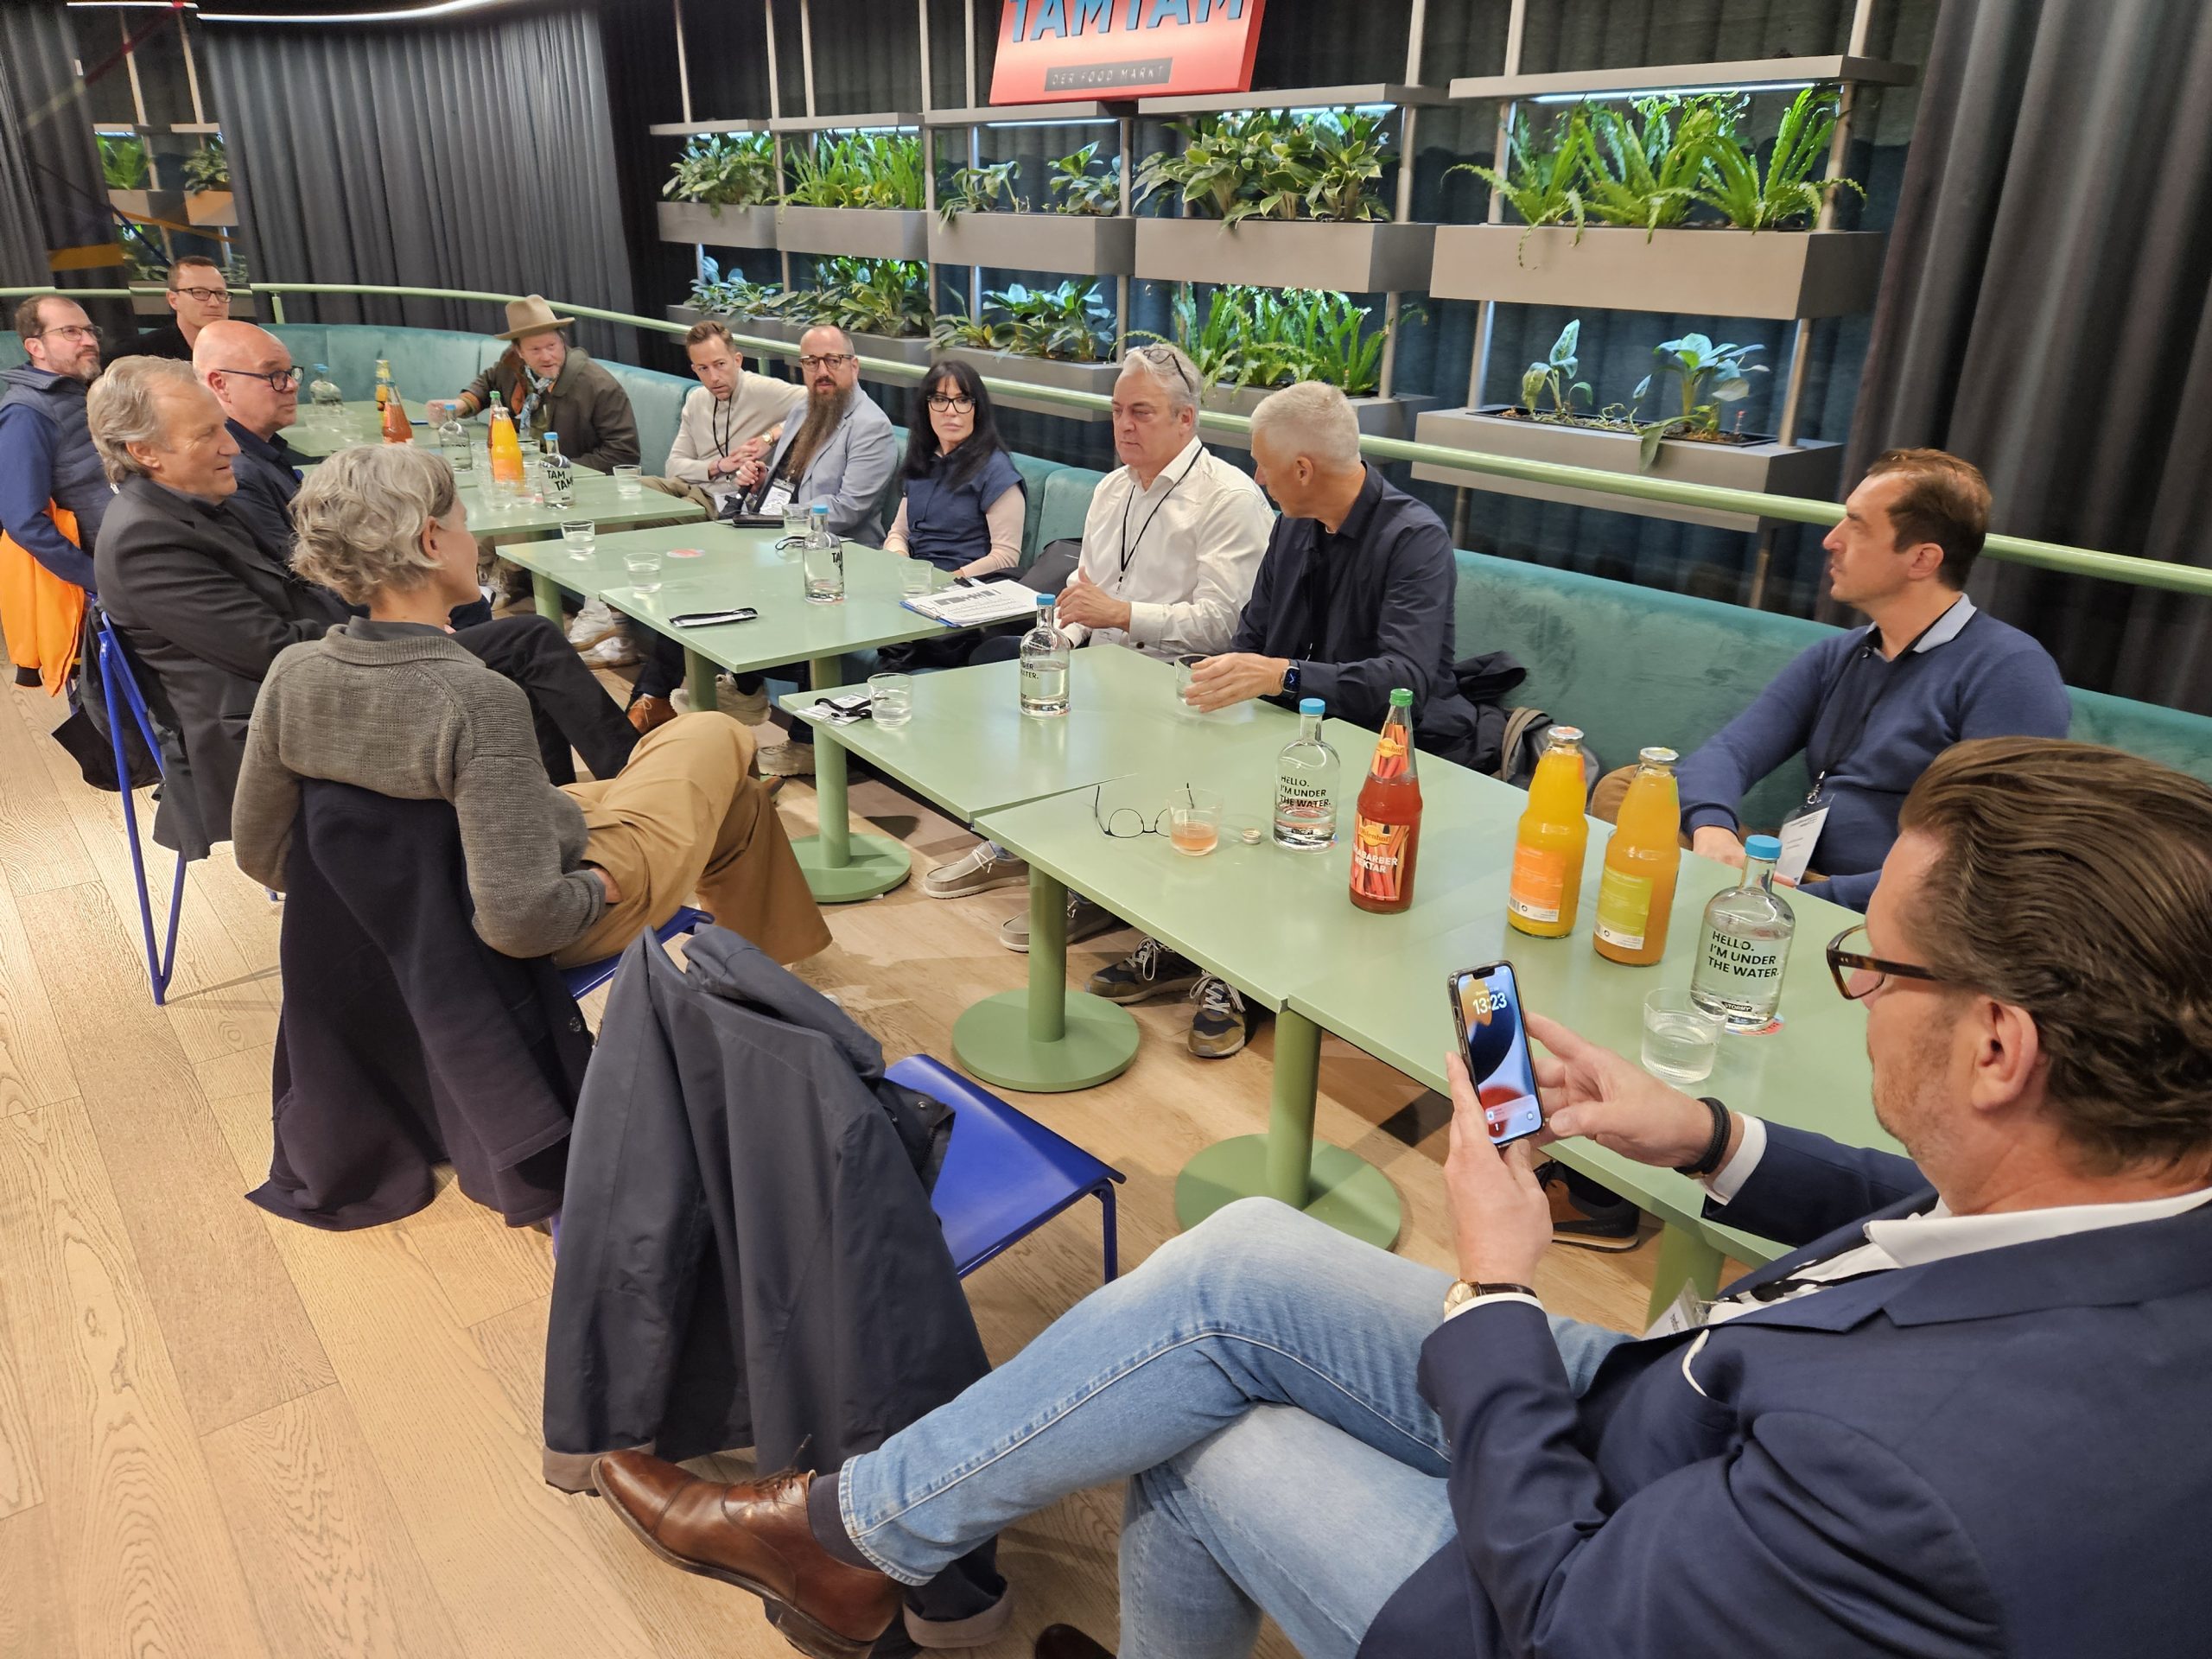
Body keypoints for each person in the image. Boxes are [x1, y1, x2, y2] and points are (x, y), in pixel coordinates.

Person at [590, 734, 2212, 1659]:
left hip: (1624, 1550)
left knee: (1202, 1442)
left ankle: (846, 1536)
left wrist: (1496, 1290)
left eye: (1876, 964)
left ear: (1998, 1046)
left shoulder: (1933, 1485)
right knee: (1234, 1261)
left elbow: (1568, 1615)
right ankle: (858, 1531)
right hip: (1696, 1421)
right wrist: (1712, 1136)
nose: (1855, 991)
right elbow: (1943, 1215)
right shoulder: (2141, 1192)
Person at [231, 444, 830, 971]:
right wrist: (595, 886)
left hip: (440, 900)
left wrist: (409, 890)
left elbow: (264, 856)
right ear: (432, 541)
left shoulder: (293, 673)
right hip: (535, 919)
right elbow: (523, 922)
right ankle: (762, 991)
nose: (474, 544)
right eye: (465, 526)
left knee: (738, 801)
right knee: (716, 732)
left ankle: (759, 980)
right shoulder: (475, 700)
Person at [1085, 381, 1484, 1058]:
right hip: (1287, 730)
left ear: (1302, 469)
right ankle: (1184, 937)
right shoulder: (1292, 527)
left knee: (1274, 801)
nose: (1256, 476)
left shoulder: (1413, 539)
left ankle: (1239, 975)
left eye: (1263, 464)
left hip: (1382, 756)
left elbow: (1407, 681)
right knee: (1183, 770)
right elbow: (1254, 633)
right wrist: (1225, 678)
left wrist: (1282, 676)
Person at [196, 321, 639, 785]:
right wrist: (405, 620)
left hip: (358, 633)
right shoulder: (243, 475)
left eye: (291, 373)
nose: (290, 386)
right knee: (530, 639)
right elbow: (303, 580)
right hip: (359, 650)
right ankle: (632, 781)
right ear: (220, 384)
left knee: (511, 644)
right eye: (274, 375)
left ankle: (551, 791)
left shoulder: (259, 461)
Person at [920, 341, 1269, 911]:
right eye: (1117, 410)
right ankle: (1017, 838)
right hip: (1100, 667)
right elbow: (1084, 594)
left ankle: (1086, 886)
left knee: (1072, 710)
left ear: (1186, 419)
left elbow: (1225, 625)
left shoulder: (1228, 498)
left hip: (1179, 684)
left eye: (1141, 412)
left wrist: (1122, 614)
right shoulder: (1113, 489)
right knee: (1006, 670)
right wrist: (1059, 640)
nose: (1124, 425)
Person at [1665, 448, 2069, 912]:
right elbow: (1729, 753)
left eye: (1857, 526)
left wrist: (1797, 902)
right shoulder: (1841, 654)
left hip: (1891, 906)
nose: (1830, 541)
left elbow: (1986, 854)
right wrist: (1713, 832)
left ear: (1922, 559)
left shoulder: (2010, 670)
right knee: (1638, 788)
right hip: (1790, 875)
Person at [596, 321, 807, 734]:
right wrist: (717, 465)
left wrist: (769, 437)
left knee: (686, 582)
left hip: (724, 508)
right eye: (703, 368)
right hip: (692, 488)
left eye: (720, 365)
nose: (714, 377)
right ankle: (612, 614)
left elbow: (817, 399)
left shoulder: (765, 390)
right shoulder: (696, 400)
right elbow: (674, 465)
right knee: (618, 496)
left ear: (738, 360)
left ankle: (649, 693)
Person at [744, 324, 899, 779]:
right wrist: (758, 486)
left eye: (833, 360)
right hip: (787, 544)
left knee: (775, 604)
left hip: (843, 557)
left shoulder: (871, 426)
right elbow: (786, 481)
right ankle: (730, 687)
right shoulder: (802, 412)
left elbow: (848, 509)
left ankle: (805, 739)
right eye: (811, 362)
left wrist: (780, 517)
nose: (822, 371)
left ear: (855, 365)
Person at [869, 360, 1027, 677]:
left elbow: (1006, 556)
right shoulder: (923, 461)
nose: (951, 411)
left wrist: (948, 581)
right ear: (926, 407)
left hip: (964, 597)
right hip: (915, 590)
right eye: (940, 400)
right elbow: (898, 532)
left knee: (895, 647)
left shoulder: (996, 470)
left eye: (962, 400)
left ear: (977, 409)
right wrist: (904, 564)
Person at [1, 295, 109, 688]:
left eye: (89, 330)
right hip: (105, 592)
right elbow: (23, 521)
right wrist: (97, 579)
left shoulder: (83, 394)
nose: (89, 340)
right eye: (71, 332)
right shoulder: (25, 413)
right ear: (36, 346)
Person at [450, 295, 640, 473]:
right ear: (519, 352)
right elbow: (490, 381)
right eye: (535, 350)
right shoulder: (512, 365)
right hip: (523, 467)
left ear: (562, 341)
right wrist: (462, 404)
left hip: (569, 478)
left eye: (552, 346)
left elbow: (623, 453)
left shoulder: (599, 386)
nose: (547, 357)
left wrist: (555, 469)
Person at [133, 255, 231, 362]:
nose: (214, 303)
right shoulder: (139, 354)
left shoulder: (242, 347)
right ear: (173, 300)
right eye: (199, 292)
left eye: (220, 293)